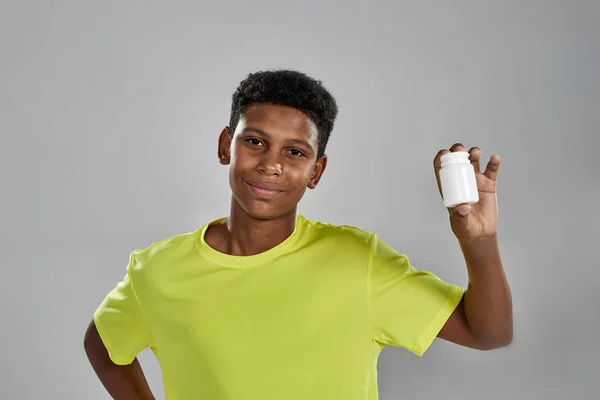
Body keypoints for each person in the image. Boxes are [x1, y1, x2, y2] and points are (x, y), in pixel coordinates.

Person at [83, 70, 513, 400]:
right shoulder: (157, 270)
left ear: (316, 172)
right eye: (254, 141)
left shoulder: (356, 261)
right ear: (224, 147)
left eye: (294, 152)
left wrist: (478, 240)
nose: (272, 164)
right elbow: (102, 343)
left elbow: (488, 333)